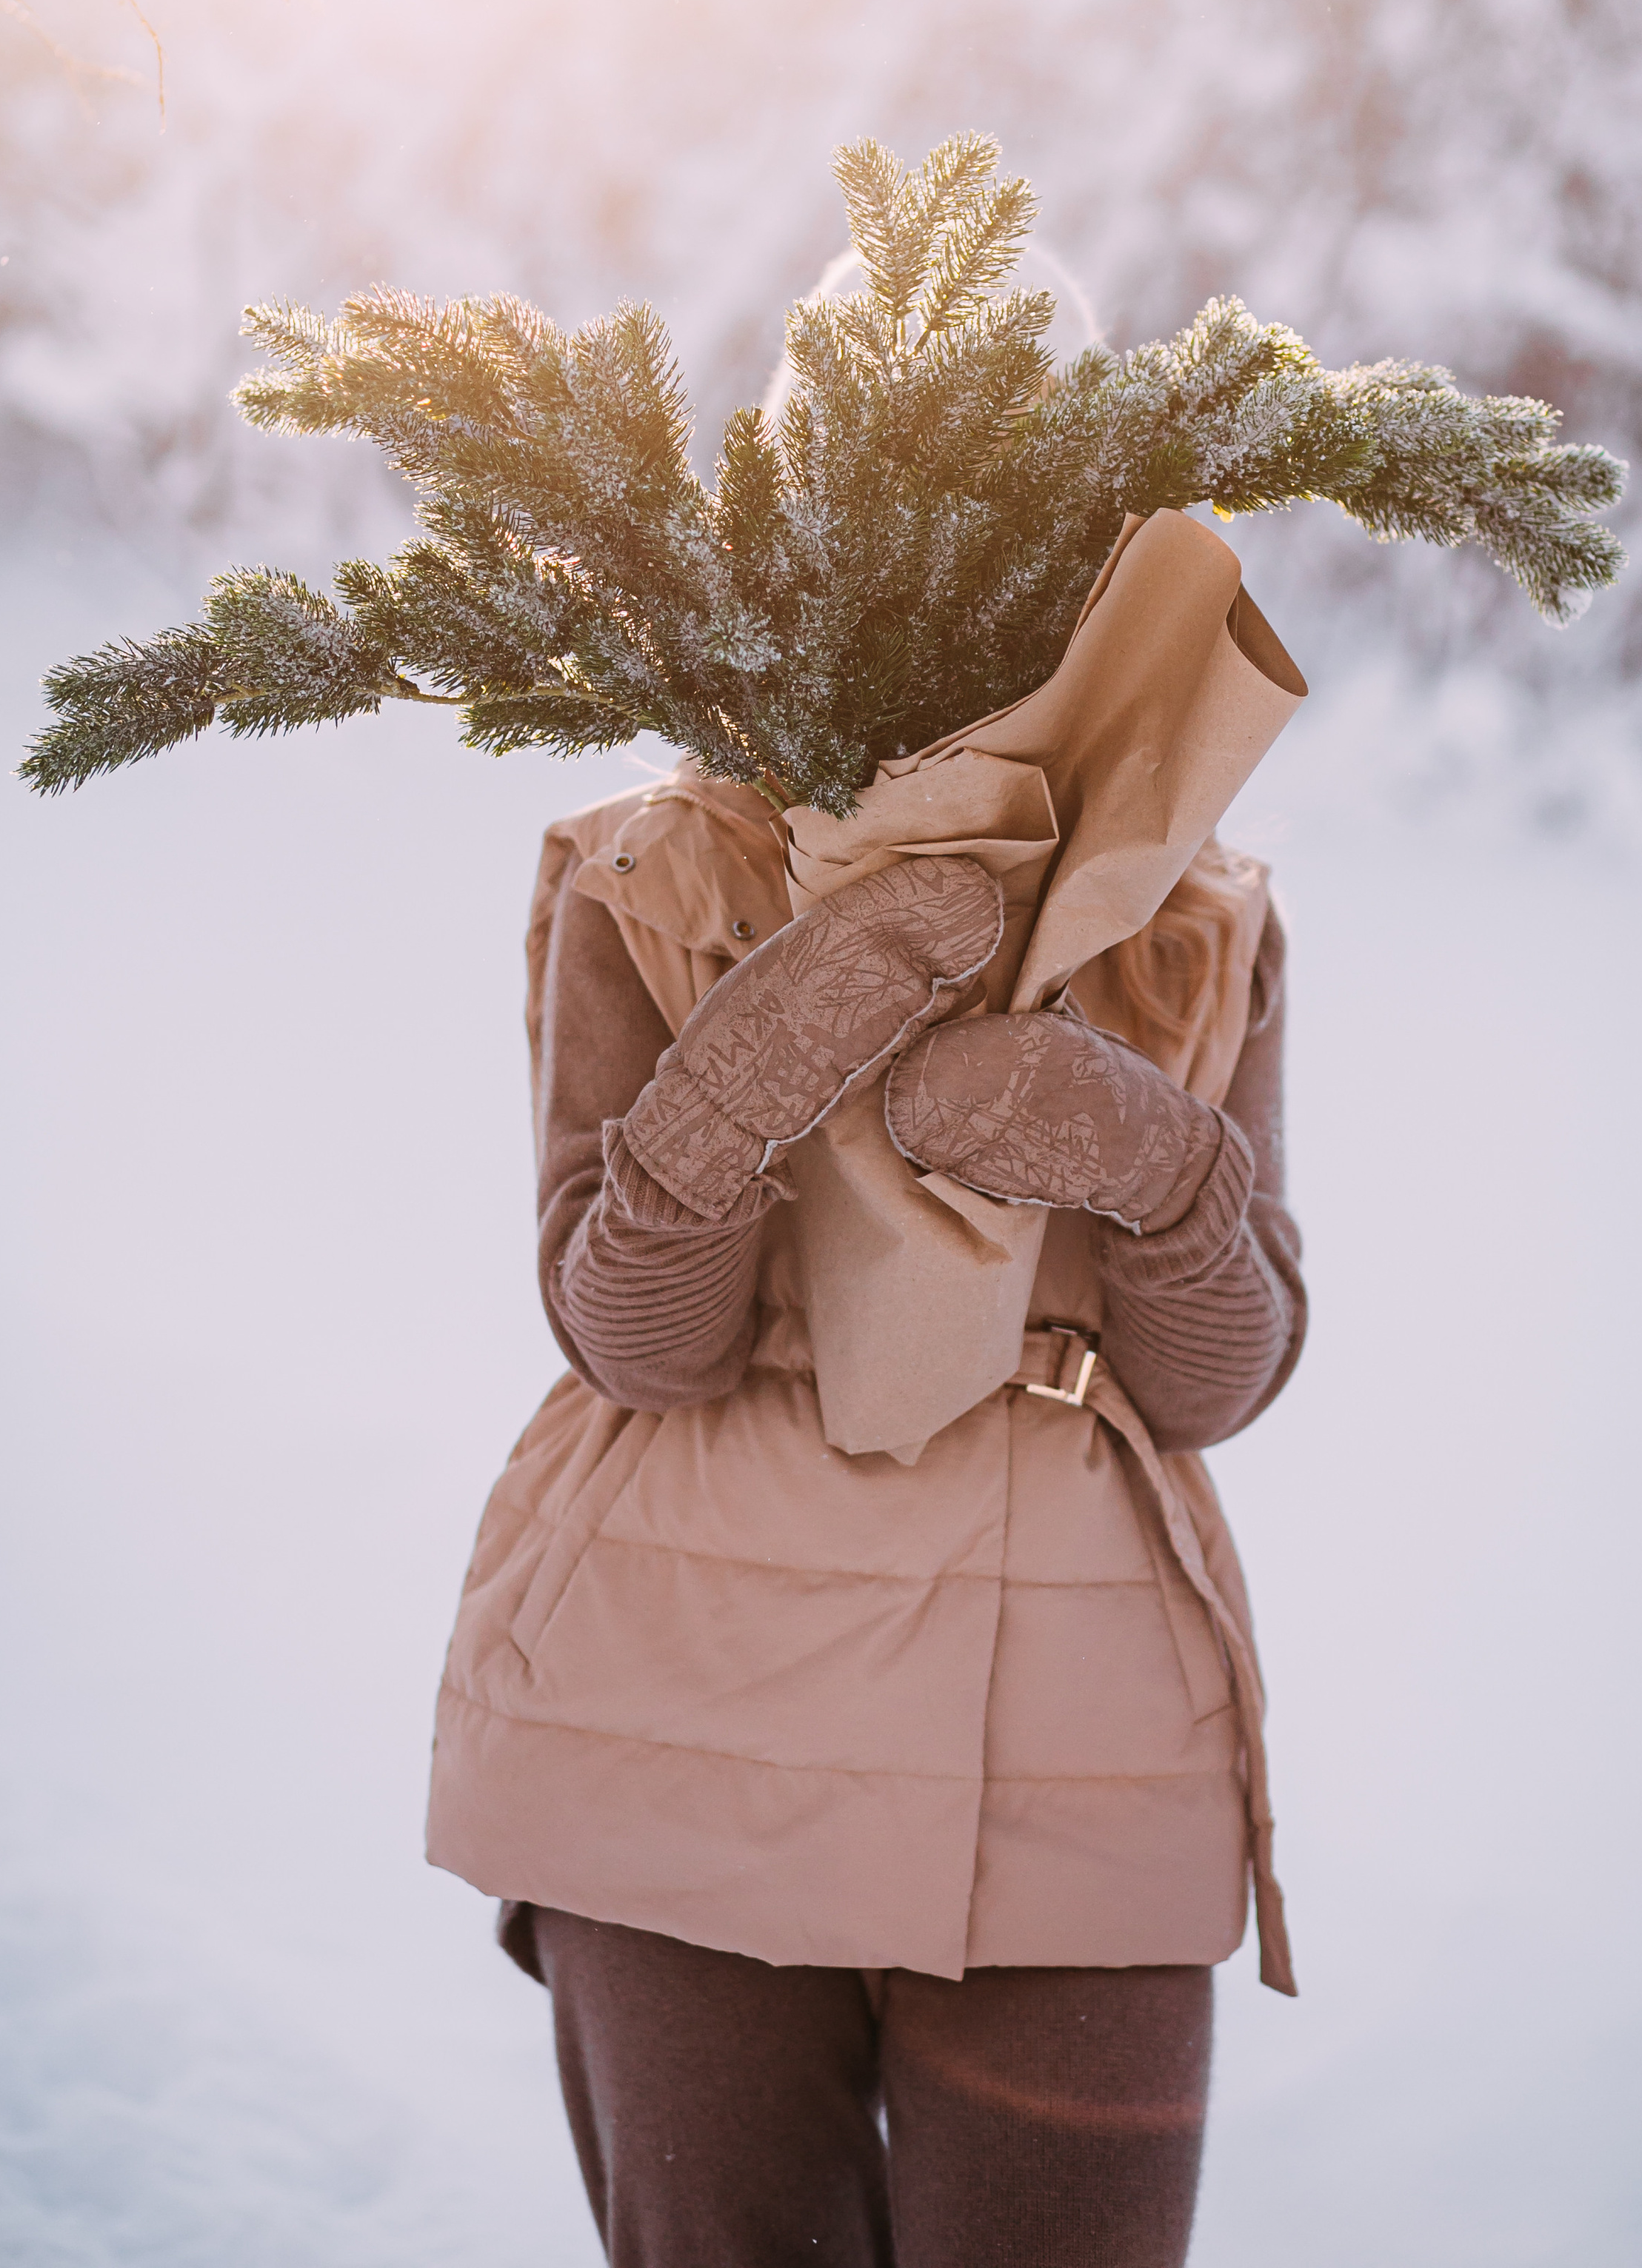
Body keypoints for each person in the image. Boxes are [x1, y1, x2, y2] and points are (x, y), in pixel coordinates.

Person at [427, 749, 1306, 2268]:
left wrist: (1161, 1170)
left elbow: (1210, 1385)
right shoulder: (646, 868)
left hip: (1078, 1741)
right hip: (681, 1689)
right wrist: (734, 1086)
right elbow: (636, 1340)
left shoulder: (1189, 900)